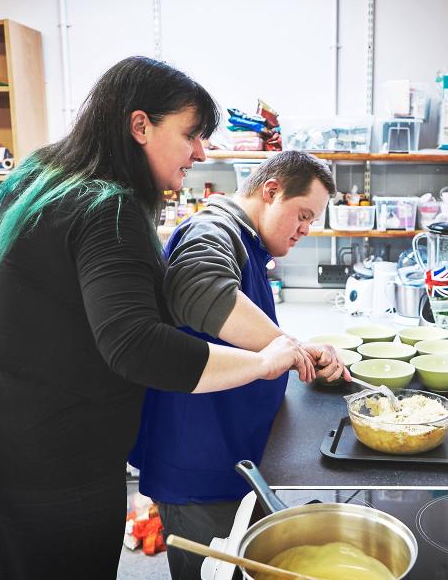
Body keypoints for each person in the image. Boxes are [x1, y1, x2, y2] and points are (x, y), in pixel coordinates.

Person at [0, 56, 315, 580]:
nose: (200, 151)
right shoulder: (109, 207)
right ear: (140, 125)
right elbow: (136, 344)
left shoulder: (45, 172)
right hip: (51, 445)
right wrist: (262, 361)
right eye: (191, 135)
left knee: (27, 561)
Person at [129, 150, 347, 579]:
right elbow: (199, 289)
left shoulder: (248, 242)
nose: (305, 229)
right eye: (303, 215)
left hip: (231, 457)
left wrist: (296, 349)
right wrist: (293, 349)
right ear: (271, 191)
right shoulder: (212, 228)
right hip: (199, 469)